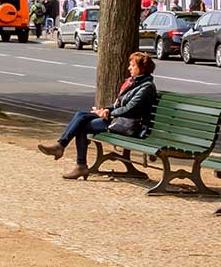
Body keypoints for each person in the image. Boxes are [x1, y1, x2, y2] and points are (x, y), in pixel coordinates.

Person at [39, 51, 157, 179]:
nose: (129, 68)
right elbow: (118, 104)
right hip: (118, 119)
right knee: (81, 116)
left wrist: (108, 113)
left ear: (143, 69)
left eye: (133, 65)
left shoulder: (146, 87)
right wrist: (105, 109)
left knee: (82, 125)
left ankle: (75, 160)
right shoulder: (134, 82)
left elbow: (130, 109)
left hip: (130, 125)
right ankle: (63, 149)